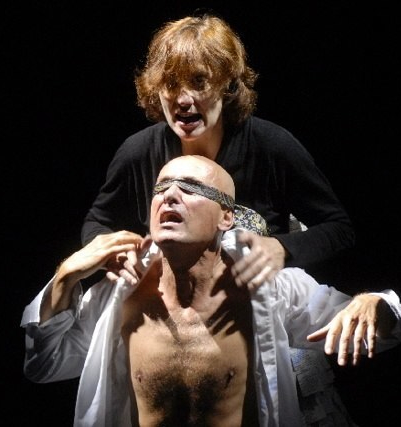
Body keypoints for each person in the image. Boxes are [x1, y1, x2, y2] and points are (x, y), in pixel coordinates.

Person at [80, 13, 357, 424]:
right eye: (170, 85)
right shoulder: (138, 153)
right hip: (175, 333)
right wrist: (113, 252)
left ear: (228, 85)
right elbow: (97, 222)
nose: (183, 99)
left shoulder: (272, 146)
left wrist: (282, 248)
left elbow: (339, 228)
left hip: (264, 333)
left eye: (198, 82)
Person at [22, 155, 401, 427]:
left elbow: (383, 331)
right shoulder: (119, 294)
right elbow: (44, 365)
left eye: (190, 188)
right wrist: (66, 276)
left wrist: (372, 303)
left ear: (226, 216)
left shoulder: (269, 288)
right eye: (161, 188)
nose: (169, 195)